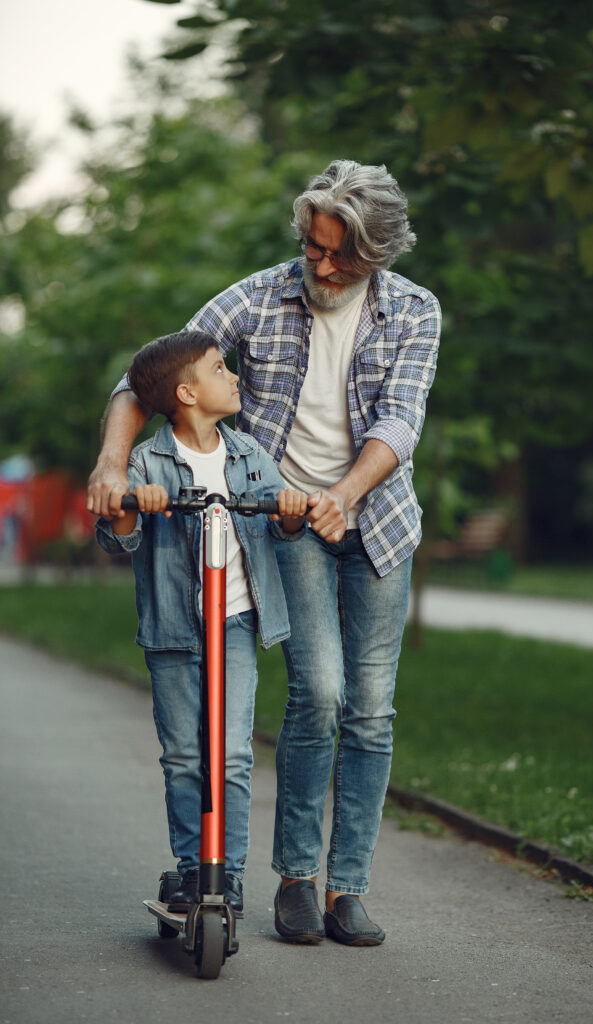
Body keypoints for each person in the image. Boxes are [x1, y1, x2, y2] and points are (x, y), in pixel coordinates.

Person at [88, 160, 441, 946]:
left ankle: (347, 885)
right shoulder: (257, 295)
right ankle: (294, 880)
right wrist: (113, 465)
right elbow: (149, 374)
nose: (318, 266)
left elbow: (400, 421)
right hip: (279, 518)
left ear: (375, 254)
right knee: (317, 692)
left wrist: (344, 496)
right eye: (311, 248)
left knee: (372, 709)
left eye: (336, 256)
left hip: (374, 517)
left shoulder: (414, 309)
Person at [95, 330, 308, 916]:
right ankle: (194, 868)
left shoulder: (249, 455)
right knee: (186, 755)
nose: (235, 377)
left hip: (235, 622)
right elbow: (120, 536)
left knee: (232, 753)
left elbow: (281, 520)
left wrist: (289, 512)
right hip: (172, 631)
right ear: (187, 393)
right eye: (221, 369)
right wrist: (134, 502)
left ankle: (228, 872)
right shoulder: (147, 460)